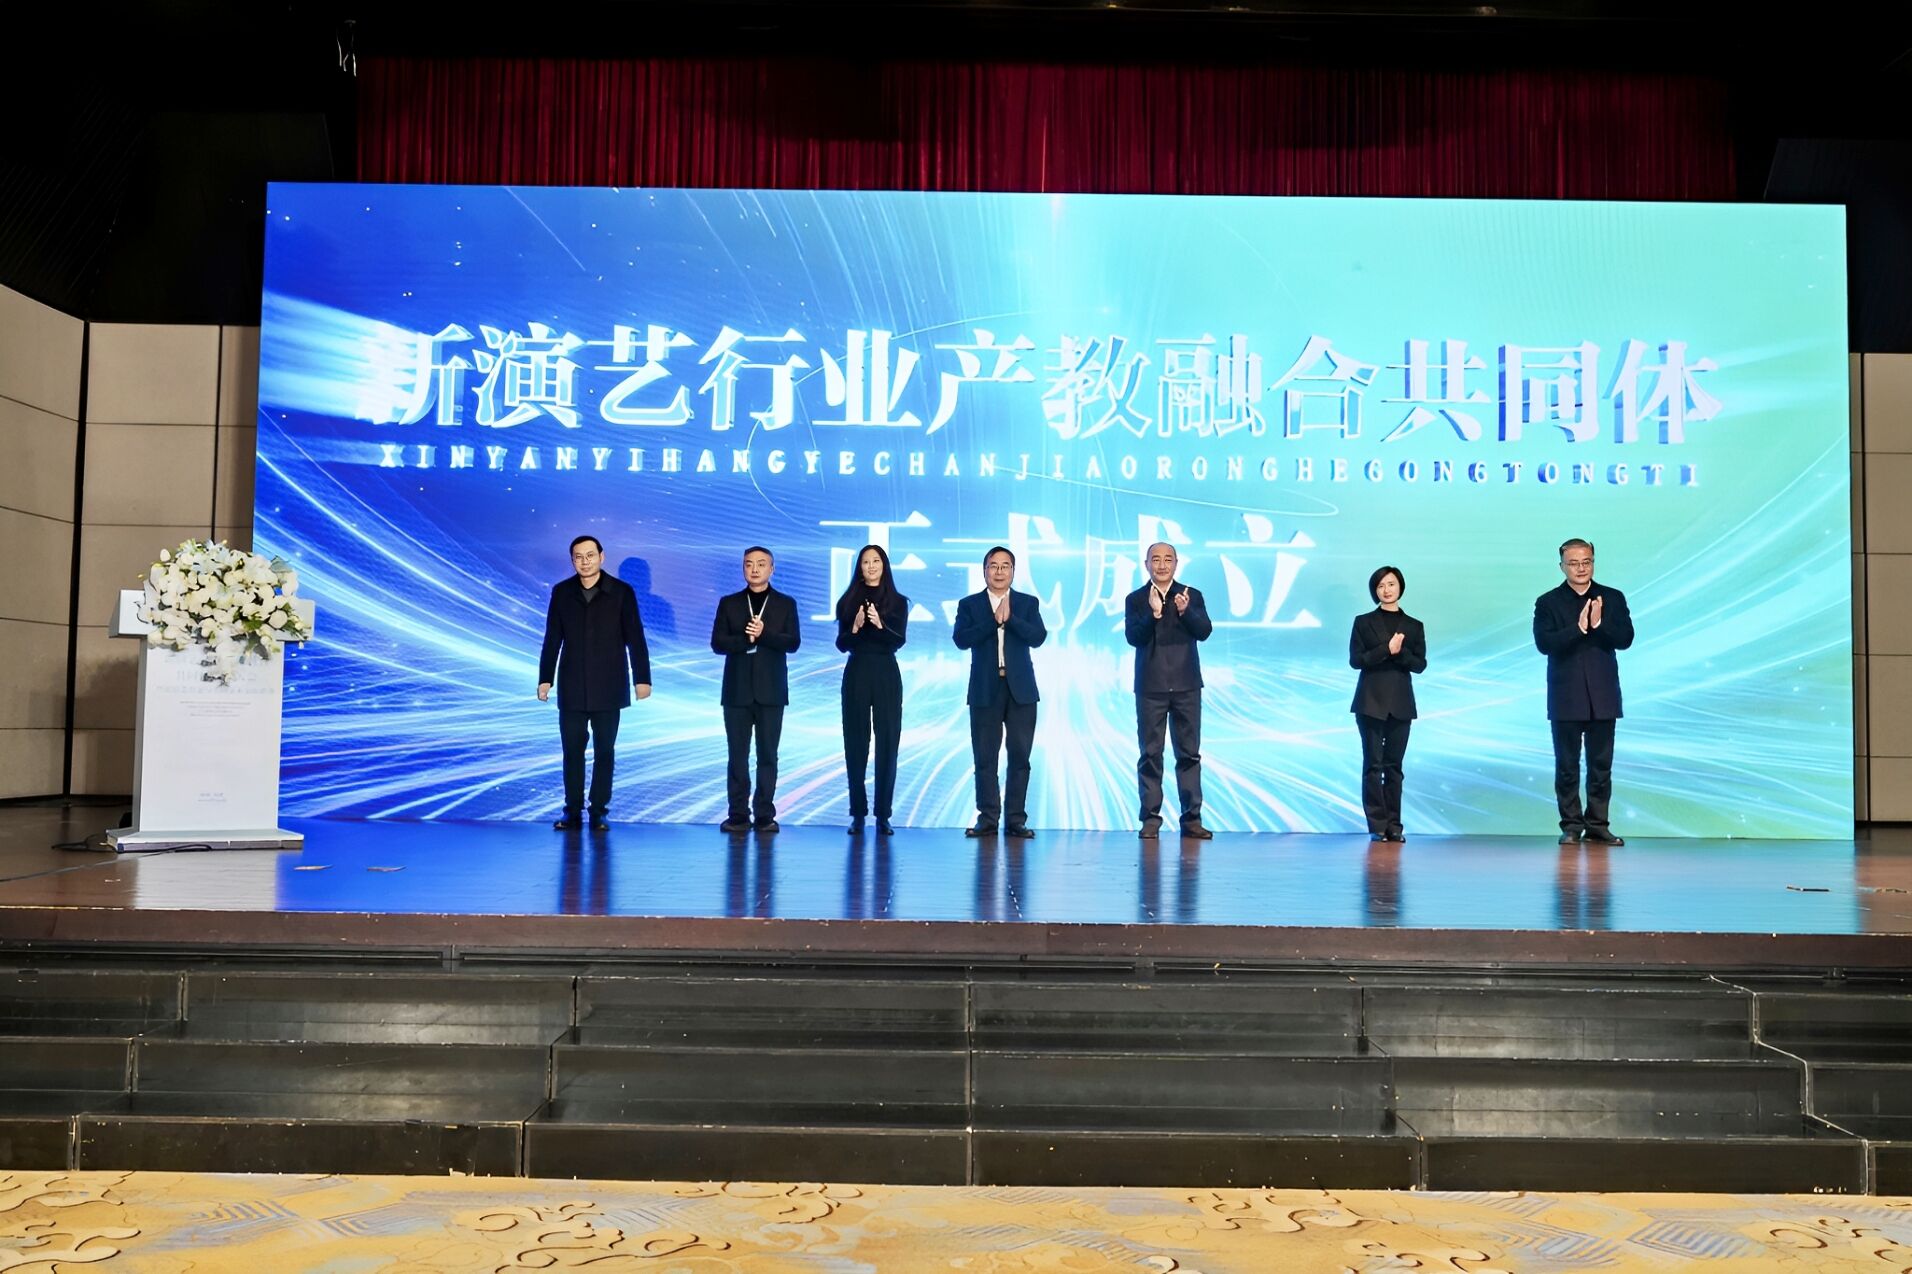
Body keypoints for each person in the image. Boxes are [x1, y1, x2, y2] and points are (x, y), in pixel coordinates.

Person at [537, 535, 651, 831]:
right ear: (572, 560)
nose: (585, 561)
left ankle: (599, 810)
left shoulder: (621, 592)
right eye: (578, 557)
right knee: (572, 752)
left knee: (604, 751)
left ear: (602, 556)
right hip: (572, 685)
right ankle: (572, 810)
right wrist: (545, 678)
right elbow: (552, 638)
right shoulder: (562, 592)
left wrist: (642, 679)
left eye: (590, 555)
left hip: (609, 685)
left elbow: (635, 637)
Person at [1533, 538, 1634, 845]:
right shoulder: (1548, 602)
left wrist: (1599, 624)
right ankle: (1571, 825)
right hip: (1566, 697)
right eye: (1573, 563)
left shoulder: (1612, 597)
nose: (1581, 568)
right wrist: (1577, 629)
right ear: (1562, 566)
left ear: (1593, 562)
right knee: (1567, 766)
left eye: (1586, 562)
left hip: (1603, 696)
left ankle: (1598, 825)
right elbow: (1544, 644)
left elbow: (1626, 639)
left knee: (1601, 766)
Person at [952, 546, 1047, 839]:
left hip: (1021, 691)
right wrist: (993, 620)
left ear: (1013, 571)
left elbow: (1038, 637)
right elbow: (961, 639)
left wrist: (1011, 619)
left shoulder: (1027, 603)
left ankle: (1016, 820)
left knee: (1020, 757)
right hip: (985, 690)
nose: (999, 571)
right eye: (994, 566)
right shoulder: (969, 605)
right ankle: (988, 819)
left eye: (1005, 566)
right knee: (985, 758)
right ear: (984, 571)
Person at [1123, 542, 1214, 839]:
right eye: (1156, 560)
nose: (1162, 565)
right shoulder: (1136, 599)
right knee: (1150, 754)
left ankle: (1192, 819)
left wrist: (1186, 612)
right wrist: (1154, 614)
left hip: (1187, 685)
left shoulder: (1190, 594)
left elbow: (1204, 631)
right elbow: (1134, 638)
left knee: (1189, 754)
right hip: (1150, 687)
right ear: (1146, 564)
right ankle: (1150, 820)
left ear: (1176, 563)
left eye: (1167, 559)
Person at [711, 546, 801, 833]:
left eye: (761, 564)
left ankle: (765, 814)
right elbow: (717, 643)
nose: (754, 569)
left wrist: (764, 635)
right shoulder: (729, 603)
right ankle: (738, 814)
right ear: (743, 568)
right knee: (737, 756)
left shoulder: (785, 603)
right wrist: (747, 640)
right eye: (749, 564)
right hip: (736, 691)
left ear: (771, 569)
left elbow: (793, 643)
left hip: (771, 691)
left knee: (768, 755)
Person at [1348, 565, 1426, 843]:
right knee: (1373, 765)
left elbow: (1420, 664)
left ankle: (1394, 825)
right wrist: (1385, 650)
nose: (1387, 590)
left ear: (1400, 586)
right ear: (1375, 591)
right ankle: (1377, 825)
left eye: (1391, 584)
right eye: (1381, 586)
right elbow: (1356, 660)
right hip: (1370, 702)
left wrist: (1399, 653)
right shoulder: (1363, 622)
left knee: (1394, 767)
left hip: (1401, 703)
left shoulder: (1414, 625)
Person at [835, 544, 909, 836]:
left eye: (876, 561)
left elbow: (898, 641)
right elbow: (842, 644)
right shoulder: (848, 600)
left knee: (888, 742)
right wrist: (854, 628)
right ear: (860, 567)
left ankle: (883, 815)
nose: (871, 566)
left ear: (884, 565)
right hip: (857, 671)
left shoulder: (898, 602)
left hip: (886, 672)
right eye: (865, 562)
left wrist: (879, 624)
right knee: (855, 743)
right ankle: (857, 814)